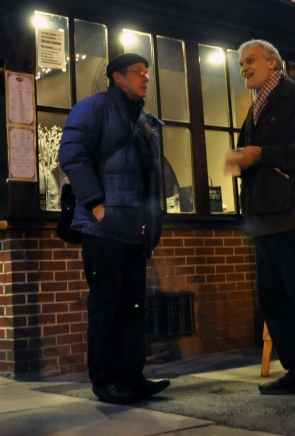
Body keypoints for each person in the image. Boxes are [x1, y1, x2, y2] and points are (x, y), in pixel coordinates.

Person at [227, 39, 295, 408]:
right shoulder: (255, 106)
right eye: (241, 63)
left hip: (291, 216)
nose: (244, 67)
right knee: (274, 301)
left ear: (273, 62)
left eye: (251, 60)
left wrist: (263, 154)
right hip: (261, 218)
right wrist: (241, 160)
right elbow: (255, 159)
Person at [59, 53, 170, 405]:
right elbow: (72, 156)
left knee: (133, 306)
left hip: (135, 229)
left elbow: (151, 177)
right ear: (116, 77)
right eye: (138, 73)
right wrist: (95, 203)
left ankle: (132, 376)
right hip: (103, 228)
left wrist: (153, 223)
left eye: (147, 73)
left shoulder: (147, 122)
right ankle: (105, 381)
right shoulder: (91, 109)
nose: (145, 78)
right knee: (106, 305)